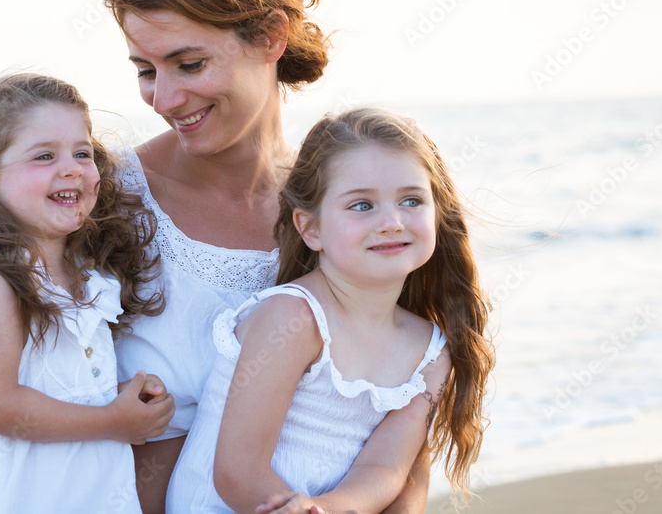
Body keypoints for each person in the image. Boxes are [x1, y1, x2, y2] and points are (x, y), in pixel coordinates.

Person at [104, 0, 432, 513]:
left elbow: (398, 415)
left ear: (271, 37)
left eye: (190, 63)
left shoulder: (350, 213)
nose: (165, 99)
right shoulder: (102, 202)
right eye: (146, 71)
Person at [166, 108, 495, 513]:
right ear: (311, 228)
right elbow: (238, 471)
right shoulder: (293, 319)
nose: (392, 221)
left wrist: (328, 509)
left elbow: (387, 469)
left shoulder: (430, 351)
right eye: (361, 205)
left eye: (411, 200)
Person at [0, 73, 175, 513]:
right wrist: (111, 421)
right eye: (43, 156)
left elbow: (58, 386)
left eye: (82, 153)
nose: (72, 168)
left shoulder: (85, 274)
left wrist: (119, 397)